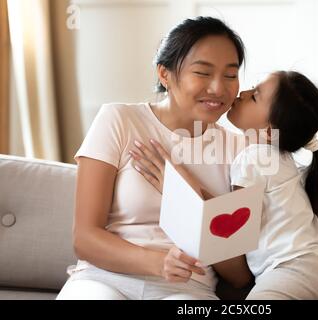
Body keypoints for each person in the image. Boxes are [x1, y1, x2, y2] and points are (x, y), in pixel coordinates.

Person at [56, 16, 251, 300]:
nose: (219, 88)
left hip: (187, 289)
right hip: (105, 278)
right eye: (203, 72)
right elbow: (84, 239)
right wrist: (157, 262)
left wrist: (183, 189)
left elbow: (238, 274)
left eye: (230, 75)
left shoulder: (241, 150)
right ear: (165, 74)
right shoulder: (119, 120)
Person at [132, 71, 318, 300]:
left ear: (269, 131)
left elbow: (228, 226)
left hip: (289, 273)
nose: (243, 93)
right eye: (251, 88)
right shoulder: (278, 158)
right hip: (306, 272)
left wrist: (178, 176)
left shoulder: (255, 159)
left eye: (255, 96)